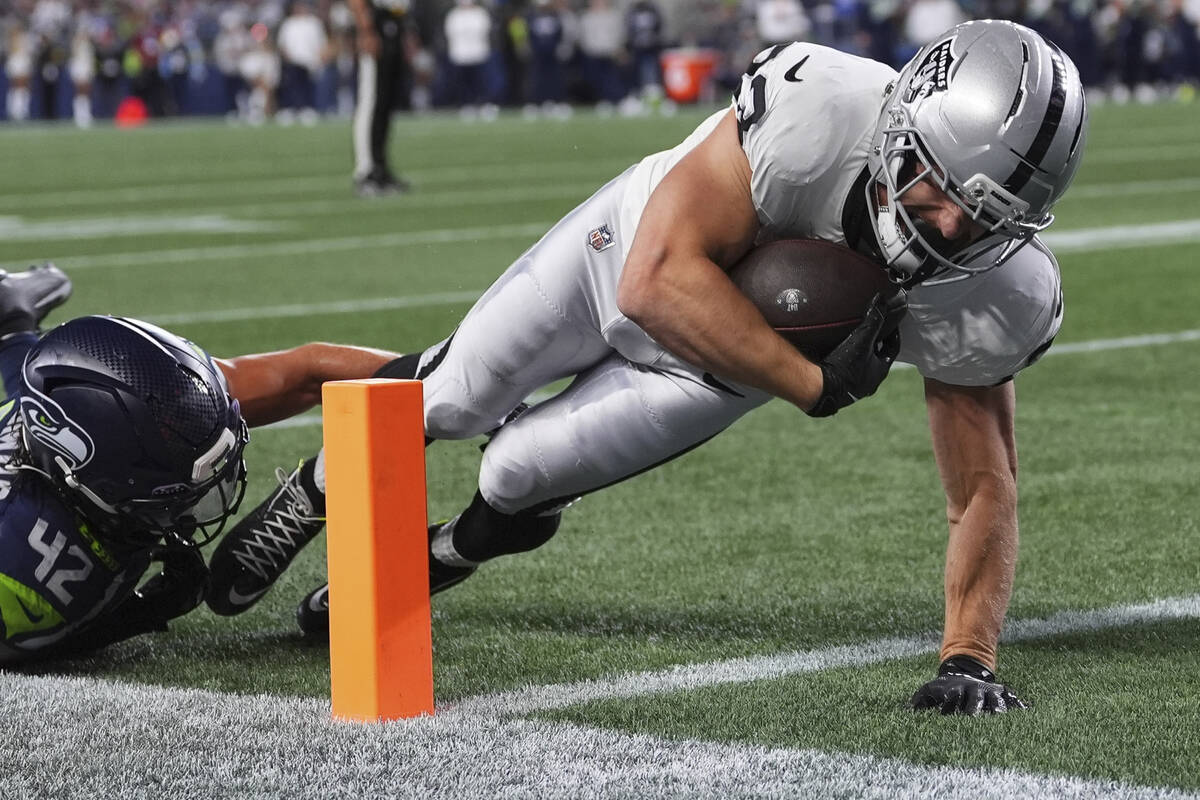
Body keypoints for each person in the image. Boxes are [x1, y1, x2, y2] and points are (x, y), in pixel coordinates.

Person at [209, 20, 1087, 717]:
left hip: (713, 374)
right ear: (904, 122)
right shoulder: (819, 113)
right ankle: (312, 492)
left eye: (987, 221)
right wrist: (814, 384)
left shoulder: (992, 295)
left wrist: (968, 655)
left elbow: (983, 485)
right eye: (940, 190)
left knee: (518, 475)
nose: (948, 234)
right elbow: (654, 283)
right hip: (626, 252)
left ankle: (433, 558)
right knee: (458, 394)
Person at [0, 266, 398, 664]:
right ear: (88, 483)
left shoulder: (137, 406)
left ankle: (12, 319)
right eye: (169, 498)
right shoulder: (28, 573)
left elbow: (308, 373)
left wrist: (440, 384)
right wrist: (139, 613)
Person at [348, 0, 415, 196]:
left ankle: (380, 167)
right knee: (371, 103)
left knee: (385, 104)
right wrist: (366, 30)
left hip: (393, 21)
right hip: (375, 22)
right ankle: (366, 171)